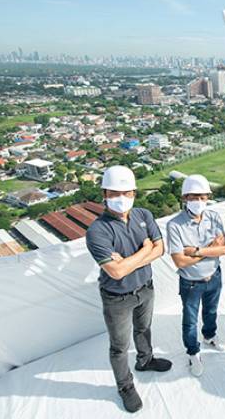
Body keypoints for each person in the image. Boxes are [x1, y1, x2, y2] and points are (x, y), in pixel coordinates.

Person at [85, 165, 172, 413]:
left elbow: (161, 249)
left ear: (134, 193)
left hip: (145, 288)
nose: (121, 198)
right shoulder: (97, 230)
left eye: (126, 193)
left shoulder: (143, 215)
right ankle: (125, 386)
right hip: (117, 297)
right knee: (119, 346)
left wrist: (127, 261)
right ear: (104, 194)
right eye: (114, 193)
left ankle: (145, 360)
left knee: (144, 328)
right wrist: (145, 249)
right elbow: (116, 272)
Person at [166, 174, 225, 377]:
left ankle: (209, 336)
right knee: (190, 320)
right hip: (191, 283)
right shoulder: (175, 225)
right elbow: (180, 261)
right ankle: (193, 352)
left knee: (211, 311)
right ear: (185, 198)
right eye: (194, 197)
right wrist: (210, 248)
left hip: (214, 276)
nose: (199, 201)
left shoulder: (214, 217)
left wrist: (196, 251)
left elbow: (224, 249)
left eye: (203, 197)